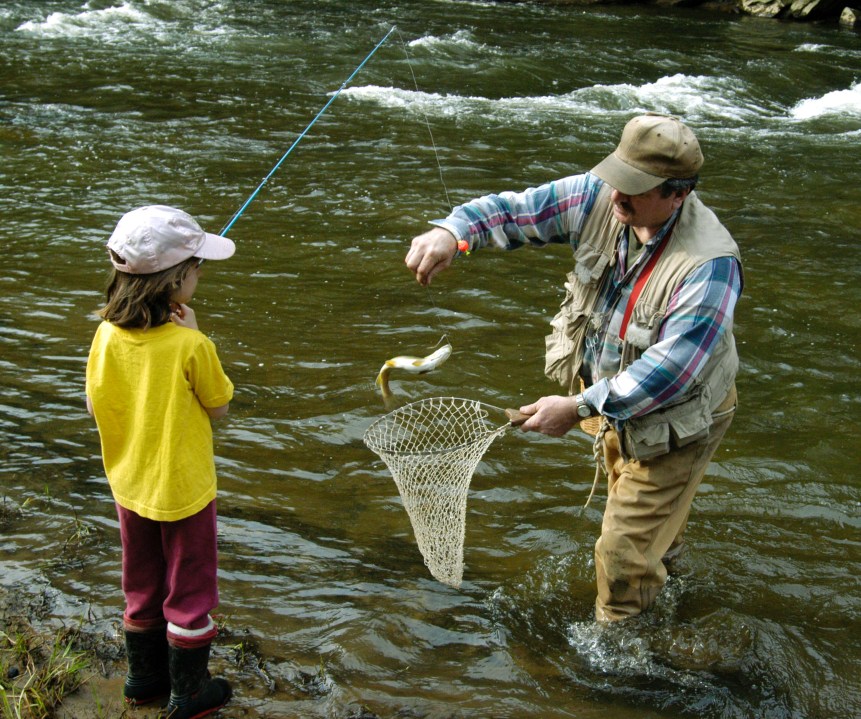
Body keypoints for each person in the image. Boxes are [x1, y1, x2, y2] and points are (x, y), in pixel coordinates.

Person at [405, 113, 742, 623]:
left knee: (622, 554)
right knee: (644, 523)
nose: (616, 196)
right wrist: (454, 232)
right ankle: (669, 583)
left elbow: (671, 372)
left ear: (678, 194)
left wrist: (578, 406)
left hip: (678, 419)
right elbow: (515, 211)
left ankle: (624, 648)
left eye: (634, 187)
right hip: (608, 403)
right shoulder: (599, 195)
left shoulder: (710, 264)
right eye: (617, 176)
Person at [85, 205, 236, 716]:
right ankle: (189, 694)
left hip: (129, 485)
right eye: (196, 268)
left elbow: (94, 405)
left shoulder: (105, 334)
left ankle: (143, 680)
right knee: (190, 592)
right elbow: (220, 407)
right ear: (175, 282)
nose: (199, 275)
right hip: (185, 491)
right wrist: (197, 334)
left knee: (141, 580)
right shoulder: (192, 344)